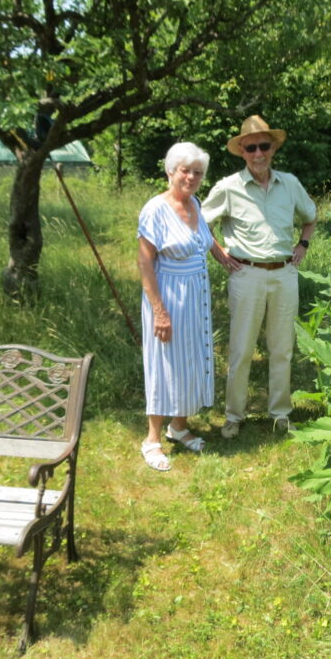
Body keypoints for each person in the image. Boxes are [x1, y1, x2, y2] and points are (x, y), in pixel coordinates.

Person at [202, 115, 317, 438]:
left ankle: (280, 414)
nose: (258, 154)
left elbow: (311, 217)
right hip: (246, 275)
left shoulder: (290, 183)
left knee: (282, 348)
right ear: (242, 151)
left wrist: (303, 245)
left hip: (284, 274)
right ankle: (234, 416)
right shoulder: (228, 187)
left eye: (263, 146)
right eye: (251, 147)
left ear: (273, 148)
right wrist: (219, 255)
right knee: (241, 349)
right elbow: (200, 224)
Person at [137, 142, 217, 471]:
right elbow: (144, 264)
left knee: (191, 359)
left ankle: (179, 426)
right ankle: (152, 439)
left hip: (196, 296)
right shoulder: (155, 209)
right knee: (165, 362)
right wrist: (159, 311)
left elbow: (207, 242)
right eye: (185, 170)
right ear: (171, 171)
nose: (191, 177)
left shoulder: (196, 203)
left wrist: (228, 260)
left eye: (197, 172)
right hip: (168, 297)